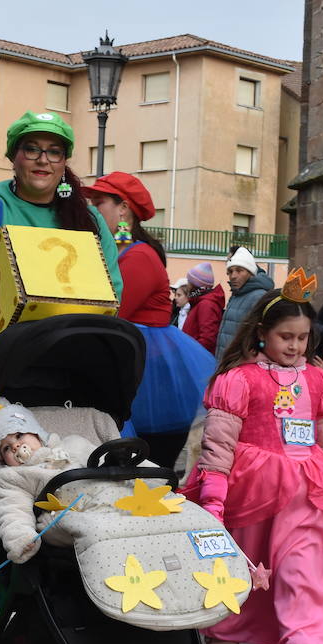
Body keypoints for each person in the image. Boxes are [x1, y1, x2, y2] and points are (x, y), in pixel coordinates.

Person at [0, 110, 122, 560]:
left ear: (65, 161)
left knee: (51, 484)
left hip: (63, 371)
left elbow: (110, 281)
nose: (42, 160)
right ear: (13, 155)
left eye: (53, 152)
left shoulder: (85, 216)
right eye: (31, 149)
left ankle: (23, 593)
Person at [181, 271, 323, 644]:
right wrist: (213, 496)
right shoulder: (238, 380)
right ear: (262, 332)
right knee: (246, 566)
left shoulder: (318, 382)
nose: (295, 346)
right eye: (286, 336)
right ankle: (225, 632)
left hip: (306, 493)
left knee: (302, 570)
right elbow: (219, 445)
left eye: (303, 338)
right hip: (252, 492)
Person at [84, 171, 213, 469]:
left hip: (149, 377)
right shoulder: (125, 252)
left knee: (145, 471)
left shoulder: (138, 256)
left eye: (99, 203)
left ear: (123, 208)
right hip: (138, 367)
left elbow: (113, 311)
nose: (93, 210)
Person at [212, 246, 275, 357]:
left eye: (239, 271)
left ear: (250, 273)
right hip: (226, 363)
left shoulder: (258, 297)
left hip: (240, 365)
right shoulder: (237, 294)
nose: (233, 276)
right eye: (230, 271)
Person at [180, 262, 227, 352]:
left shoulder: (206, 305)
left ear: (195, 284)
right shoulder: (200, 302)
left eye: (189, 281)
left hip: (197, 359)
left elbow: (207, 339)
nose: (187, 285)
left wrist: (191, 353)